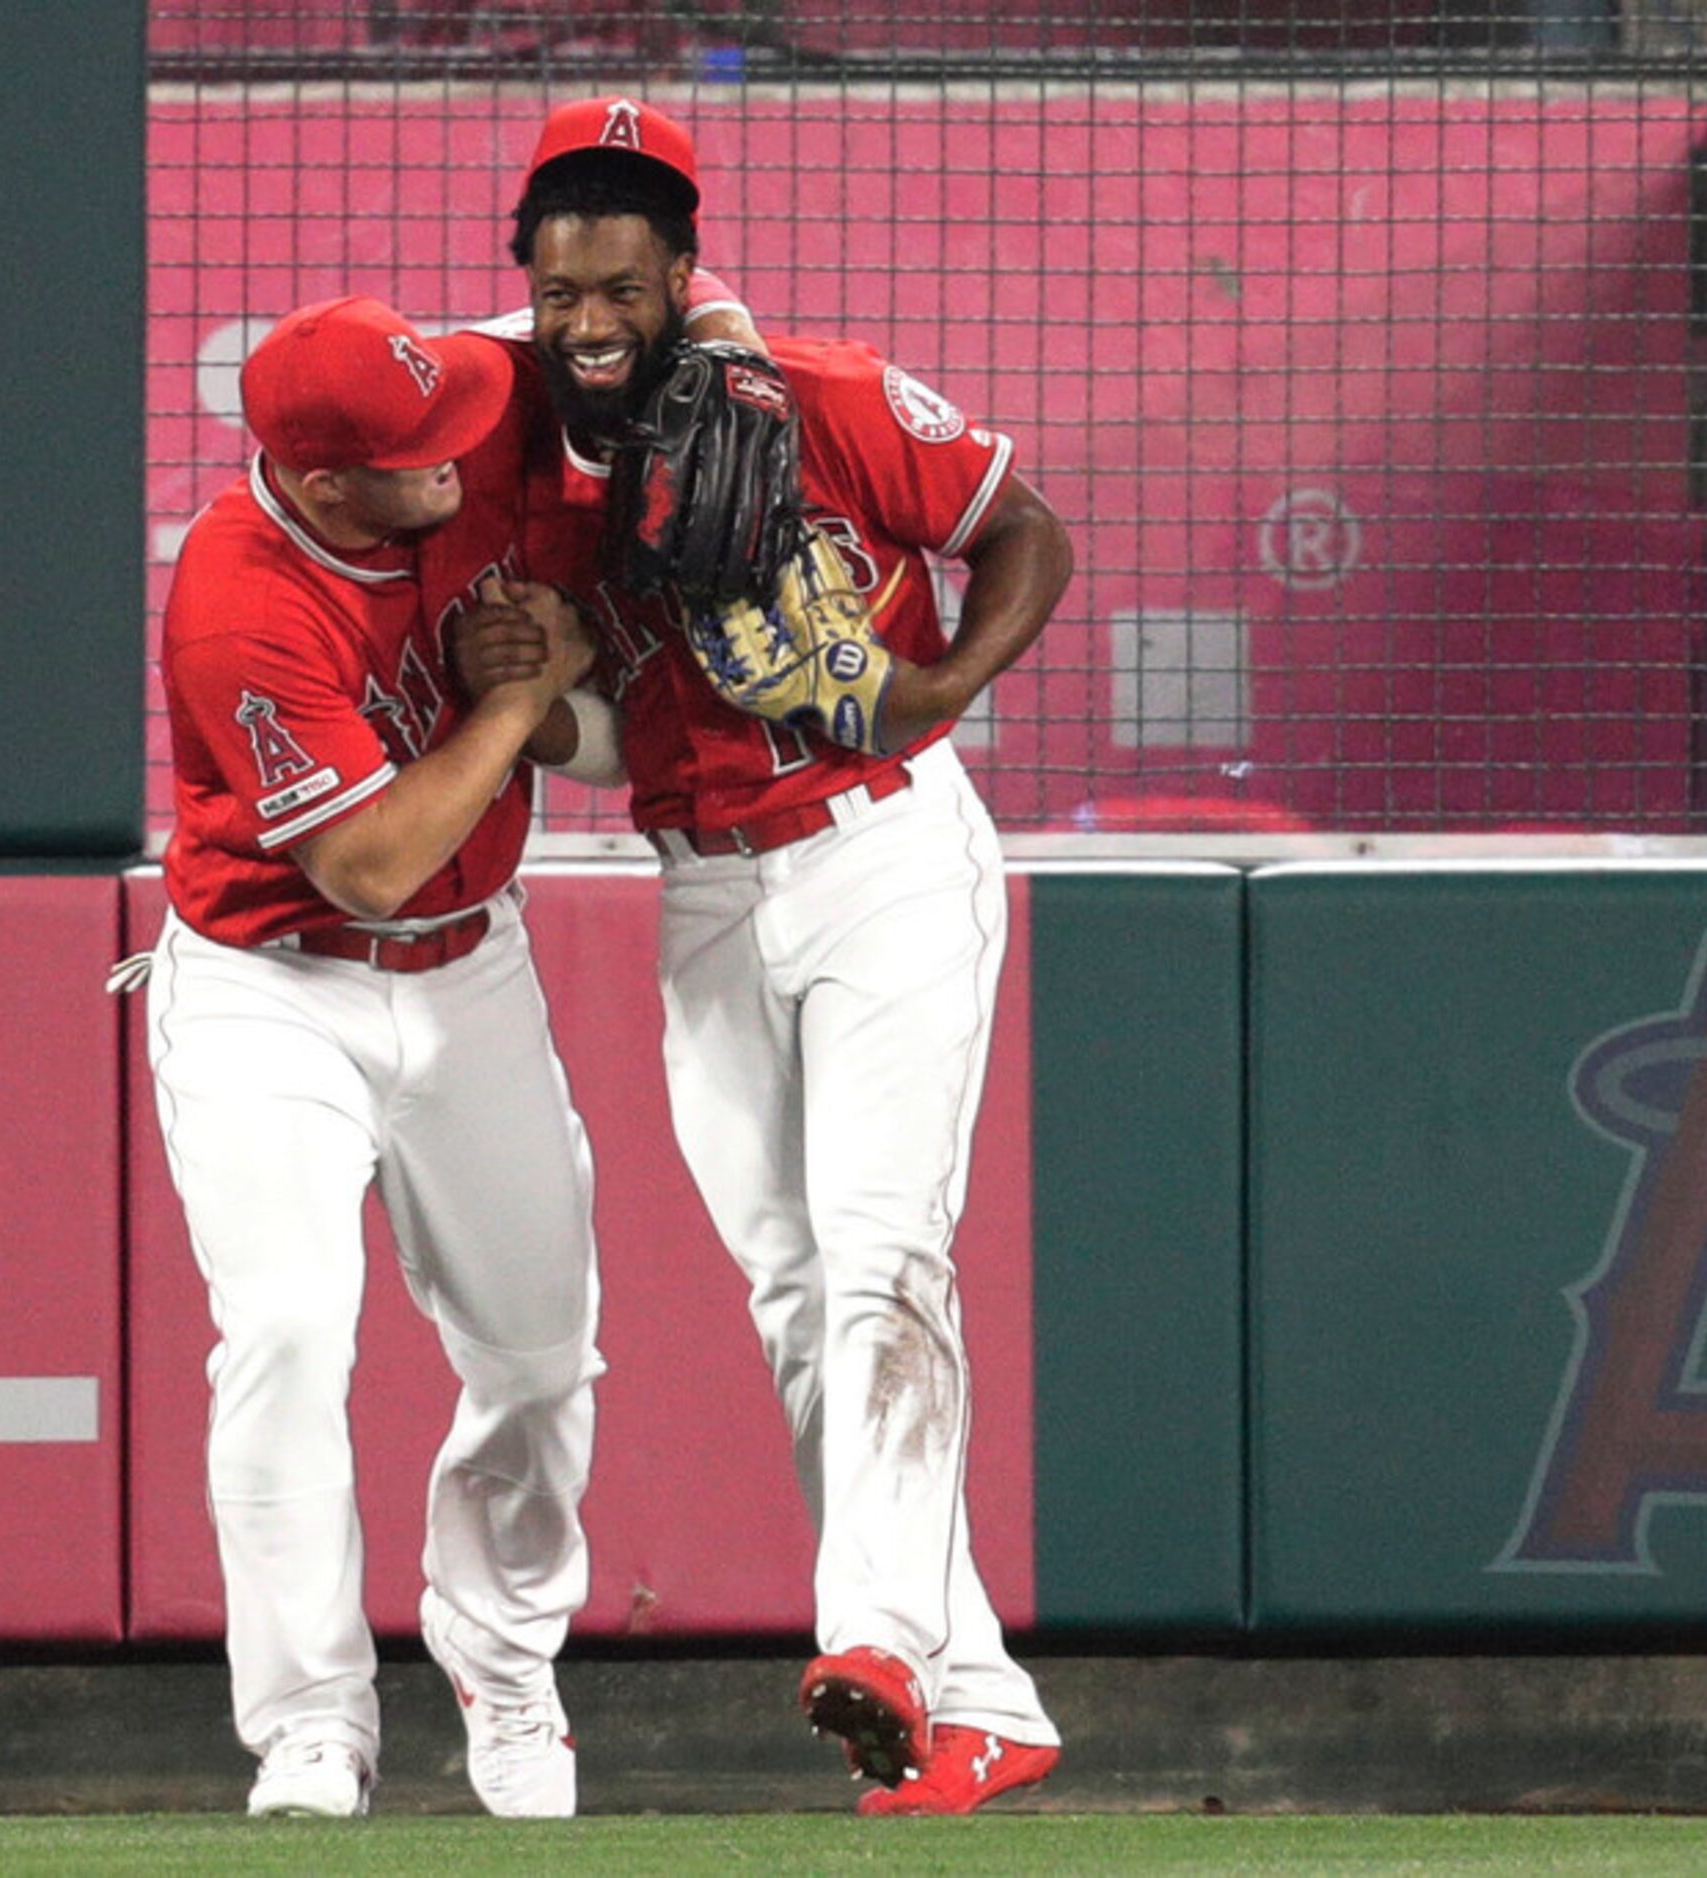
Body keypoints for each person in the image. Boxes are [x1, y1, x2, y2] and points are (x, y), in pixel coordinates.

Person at [459, 99, 1077, 1817]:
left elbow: (1028, 529)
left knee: (887, 1255)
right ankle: (986, 1698)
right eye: (566, 284)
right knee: (800, 1300)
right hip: (706, 888)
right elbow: (607, 735)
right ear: (529, 275)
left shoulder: (817, 391)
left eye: (628, 284)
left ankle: (875, 1637)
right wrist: (529, 706)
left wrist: (946, 686)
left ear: (682, 270)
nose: (595, 317)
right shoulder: (526, 466)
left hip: (881, 846)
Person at [142, 294, 608, 1820]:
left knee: (540, 1359)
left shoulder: (445, 398)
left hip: (475, 972)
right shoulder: (240, 595)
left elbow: (556, 346)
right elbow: (369, 864)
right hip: (278, 988)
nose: (459, 456)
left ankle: (504, 1655)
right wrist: (525, 697)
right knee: (283, 1331)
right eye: (420, 458)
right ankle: (310, 1724)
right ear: (328, 482)